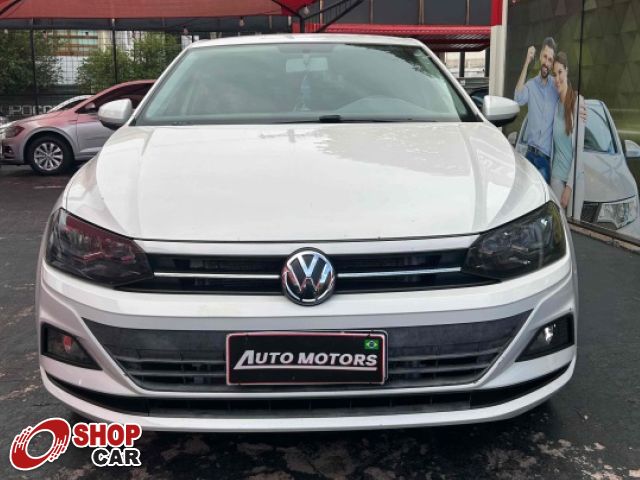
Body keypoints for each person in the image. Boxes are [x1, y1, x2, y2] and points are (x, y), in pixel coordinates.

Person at [514, 37, 558, 183]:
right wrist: (527, 61)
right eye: (545, 57)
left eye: (550, 60)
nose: (546, 62)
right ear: (540, 57)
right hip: (529, 155)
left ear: (552, 63)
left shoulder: (556, 87)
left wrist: (579, 102)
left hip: (545, 160)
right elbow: (518, 98)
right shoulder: (531, 85)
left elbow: (569, 96)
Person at [550, 52, 585, 218]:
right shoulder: (555, 106)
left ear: (567, 71)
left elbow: (579, 151)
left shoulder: (578, 103)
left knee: (575, 227)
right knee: (559, 226)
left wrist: (569, 188)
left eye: (560, 72)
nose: (557, 78)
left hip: (574, 179)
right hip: (557, 175)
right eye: (554, 74)